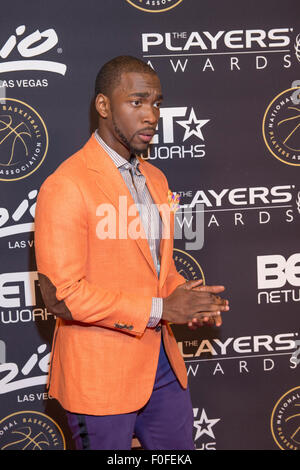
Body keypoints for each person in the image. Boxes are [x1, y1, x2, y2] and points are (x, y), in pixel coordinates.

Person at [34, 56, 229, 450]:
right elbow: (62, 297)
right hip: (99, 376)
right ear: (104, 107)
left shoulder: (157, 179)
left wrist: (187, 298)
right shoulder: (66, 185)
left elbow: (161, 269)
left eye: (156, 103)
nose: (152, 115)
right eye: (137, 102)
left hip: (162, 366)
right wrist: (162, 309)